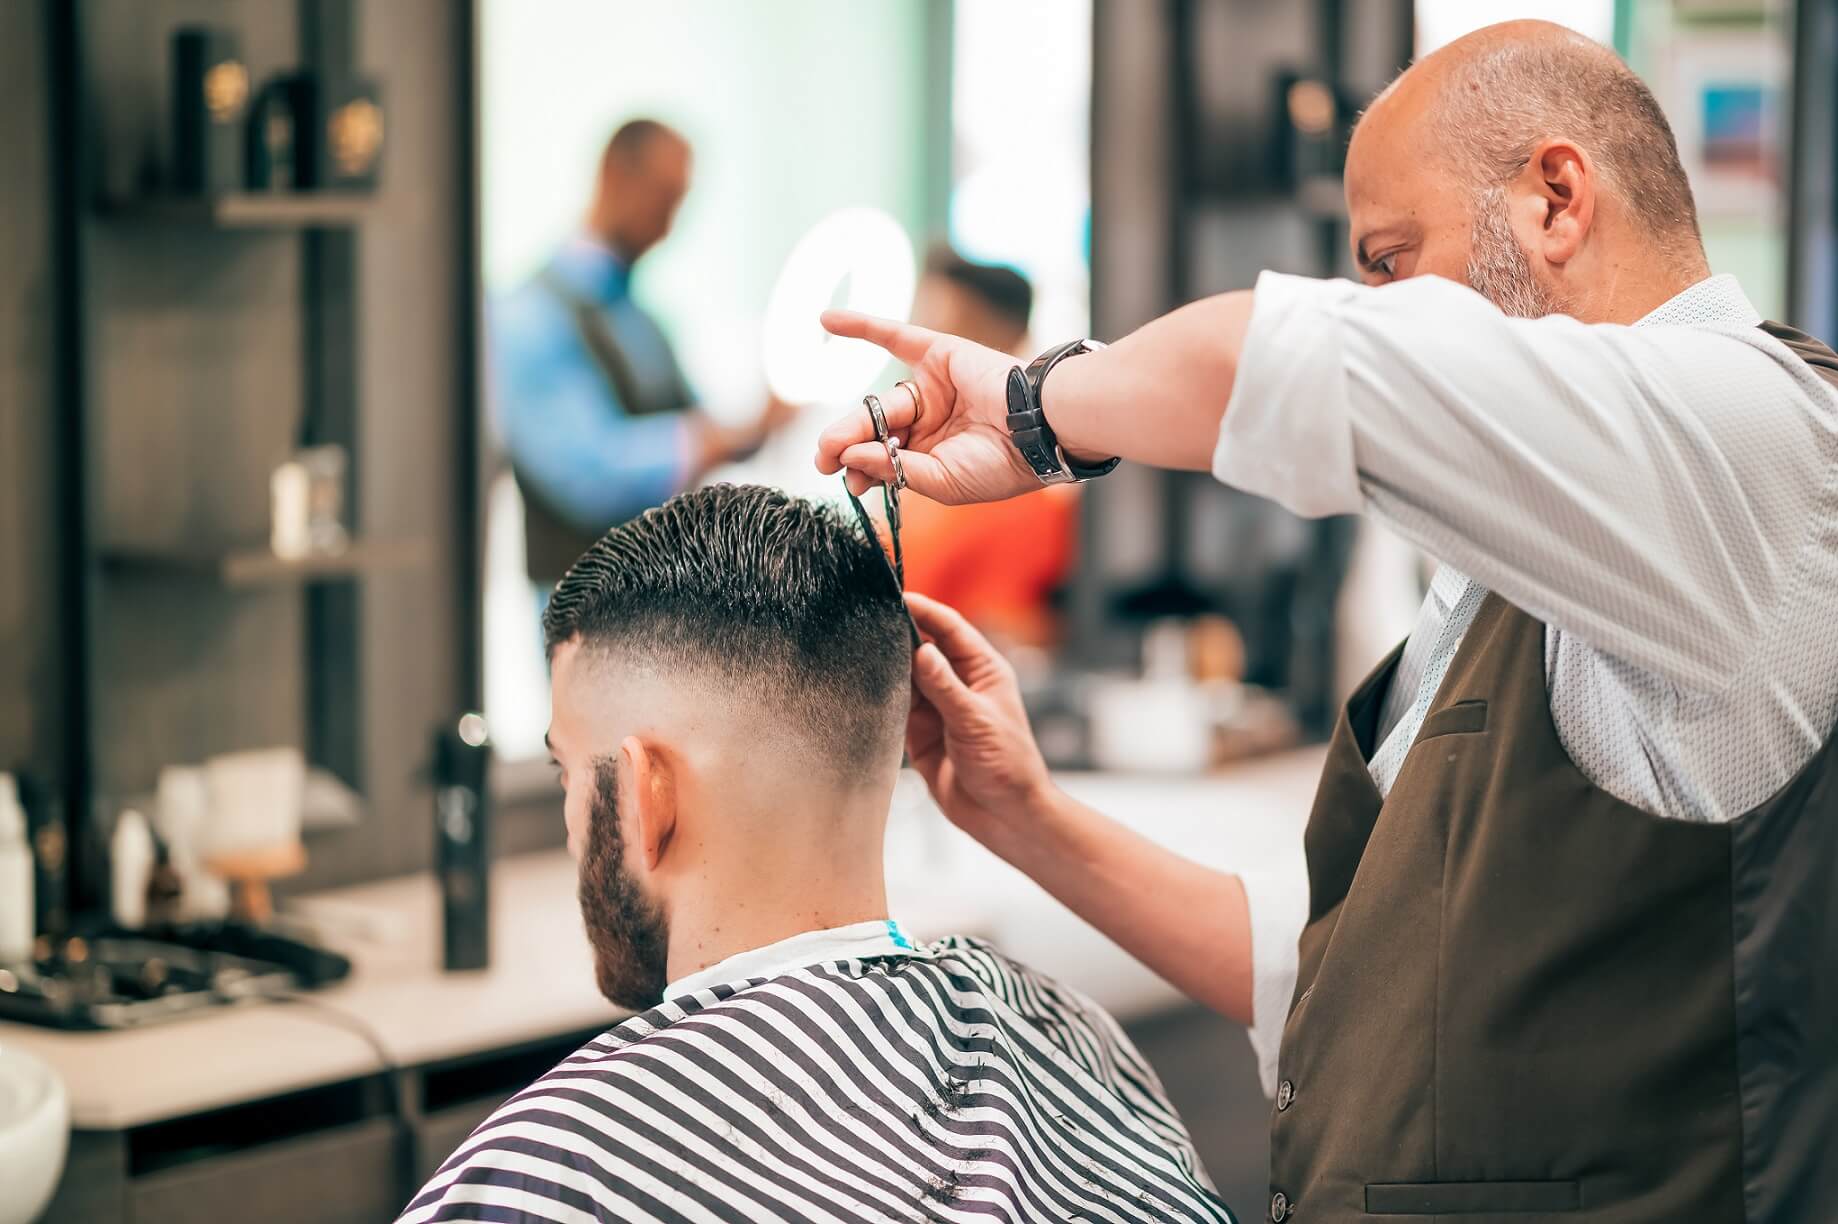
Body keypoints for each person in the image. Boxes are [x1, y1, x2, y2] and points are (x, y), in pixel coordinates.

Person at [817, 21, 1837, 1223]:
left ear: (1555, 200)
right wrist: (1022, 816)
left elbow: (1296, 364)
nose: (1373, 301)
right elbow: (1335, 970)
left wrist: (1036, 408)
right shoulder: (1557, 541)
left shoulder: (1749, 435)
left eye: (1389, 261)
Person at [399, 485, 1234, 1224]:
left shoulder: (549, 1173)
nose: (572, 820)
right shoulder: (1071, 1038)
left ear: (644, 793)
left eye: (566, 770)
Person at [493, 118, 794, 588]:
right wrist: (712, 439)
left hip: (654, 597)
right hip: (581, 602)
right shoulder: (529, 316)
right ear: (615, 174)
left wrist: (755, 426)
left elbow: (697, 417)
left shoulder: (641, 319)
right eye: (662, 198)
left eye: (678, 203)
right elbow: (587, 474)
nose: (667, 226)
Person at [898, 248, 1079, 647]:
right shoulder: (915, 475)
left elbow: (1013, 638)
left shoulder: (1029, 498)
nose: (929, 354)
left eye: (947, 330)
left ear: (1003, 338)